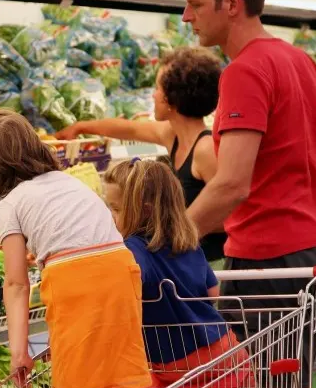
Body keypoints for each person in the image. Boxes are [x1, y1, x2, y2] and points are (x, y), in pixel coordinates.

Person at [180, 0, 316, 388]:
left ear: (231, 3)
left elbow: (232, 183)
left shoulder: (245, 70)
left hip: (272, 261)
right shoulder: (300, 61)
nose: (186, 17)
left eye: (195, 4)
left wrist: (168, 240)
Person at [0, 110, 152, 388]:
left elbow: (16, 284)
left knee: (75, 384)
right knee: (121, 375)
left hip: (73, 278)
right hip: (121, 266)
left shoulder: (8, 203)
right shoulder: (67, 180)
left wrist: (19, 351)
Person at [104, 158, 258, 388]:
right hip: (220, 348)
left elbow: (127, 283)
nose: (110, 216)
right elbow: (213, 293)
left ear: (142, 210)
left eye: (116, 209)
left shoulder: (132, 249)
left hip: (168, 358)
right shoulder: (187, 241)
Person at [56, 47, 227, 267]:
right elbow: (130, 130)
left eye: (157, 88)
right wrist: (80, 127)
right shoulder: (172, 134)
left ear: (171, 100)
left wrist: (174, 225)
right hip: (181, 261)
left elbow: (232, 215)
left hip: (208, 266)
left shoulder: (205, 151)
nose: (153, 95)